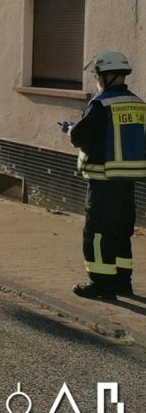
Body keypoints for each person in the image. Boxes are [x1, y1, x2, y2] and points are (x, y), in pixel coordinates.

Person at [68, 51, 144, 300]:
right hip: (128, 180)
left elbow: (81, 137)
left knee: (98, 232)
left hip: (103, 179)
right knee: (121, 231)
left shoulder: (101, 104)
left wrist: (70, 130)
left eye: (97, 75)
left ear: (106, 76)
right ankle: (122, 282)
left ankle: (100, 284)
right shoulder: (138, 103)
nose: (97, 80)